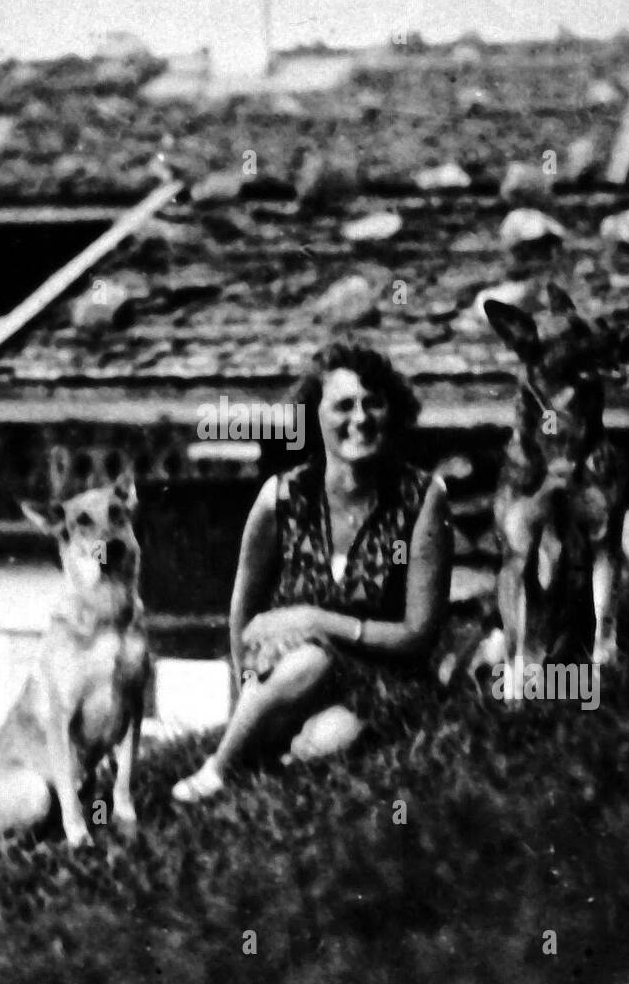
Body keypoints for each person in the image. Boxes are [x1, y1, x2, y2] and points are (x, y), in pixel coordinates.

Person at [171, 340, 452, 803]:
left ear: (393, 412)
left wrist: (316, 621)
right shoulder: (281, 497)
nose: (359, 419)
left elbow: (418, 634)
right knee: (307, 661)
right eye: (343, 405)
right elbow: (244, 604)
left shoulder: (422, 498)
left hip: (385, 682)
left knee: (328, 739)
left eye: (373, 404)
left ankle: (270, 764)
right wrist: (249, 683)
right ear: (314, 416)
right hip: (291, 673)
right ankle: (217, 770)